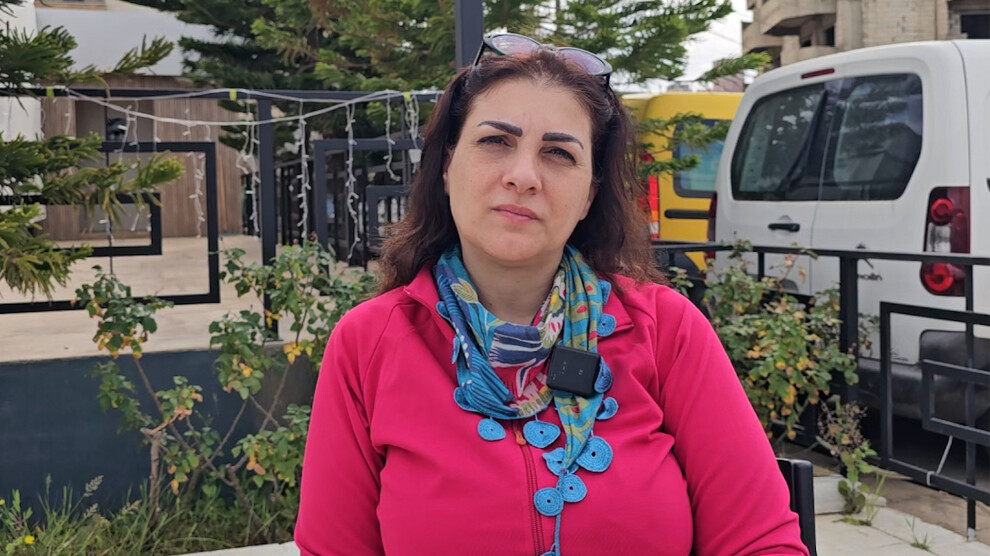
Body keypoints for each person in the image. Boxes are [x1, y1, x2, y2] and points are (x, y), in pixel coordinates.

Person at [295, 33, 808, 556]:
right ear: (447, 168)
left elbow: (761, 542)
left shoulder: (666, 330)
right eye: (495, 142)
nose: (523, 176)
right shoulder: (369, 343)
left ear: (589, 194)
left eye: (558, 153)